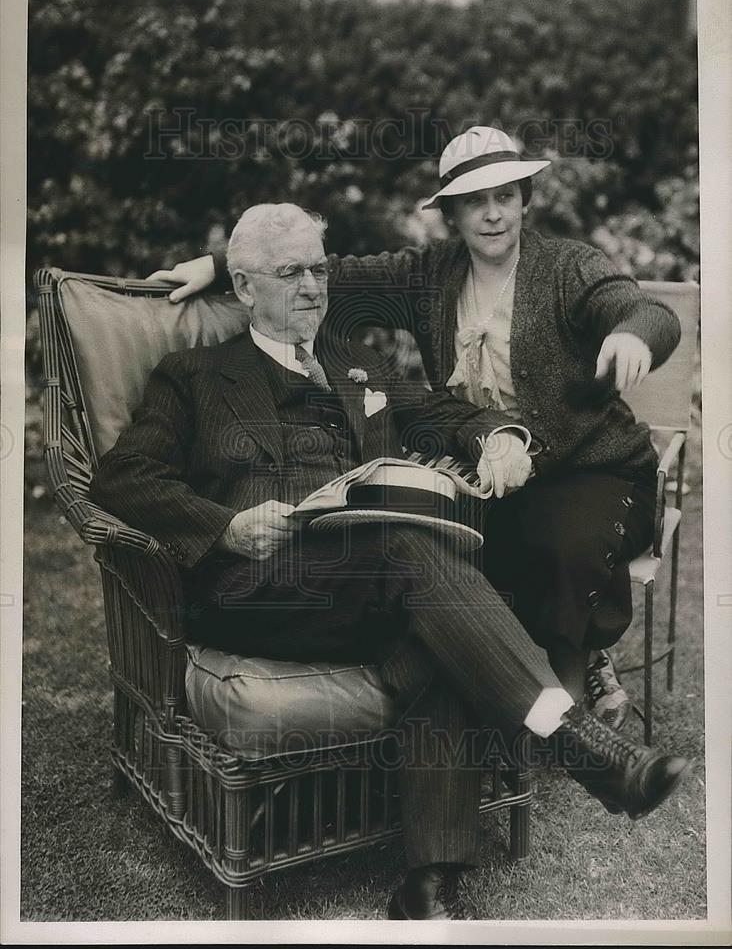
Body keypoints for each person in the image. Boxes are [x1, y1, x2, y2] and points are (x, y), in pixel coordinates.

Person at [93, 202, 689, 920]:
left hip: (368, 585)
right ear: (246, 288)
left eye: (319, 267)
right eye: (291, 273)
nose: (314, 286)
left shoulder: (358, 364)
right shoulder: (192, 376)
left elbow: (446, 415)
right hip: (258, 585)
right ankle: (573, 740)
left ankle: (426, 889)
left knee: (434, 633)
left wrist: (499, 437)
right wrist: (225, 527)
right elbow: (122, 477)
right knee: (411, 549)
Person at [150, 126, 682, 730]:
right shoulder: (429, 276)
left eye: (505, 197)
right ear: (450, 213)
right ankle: (519, 690)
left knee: (562, 543)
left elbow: (639, 307)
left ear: (525, 199)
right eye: (474, 202)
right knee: (454, 547)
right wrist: (219, 266)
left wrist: (632, 331)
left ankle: (568, 714)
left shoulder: (566, 267)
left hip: (595, 467)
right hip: (494, 466)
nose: (492, 215)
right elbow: (323, 273)